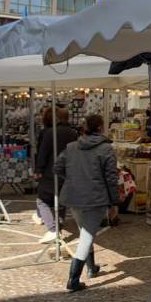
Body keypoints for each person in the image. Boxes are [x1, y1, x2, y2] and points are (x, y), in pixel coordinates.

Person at [54, 114, 120, 292]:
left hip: (74, 196)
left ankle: (91, 268)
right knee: (86, 236)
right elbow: (111, 178)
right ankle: (73, 279)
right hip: (95, 198)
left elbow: (57, 167)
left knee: (85, 231)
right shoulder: (106, 149)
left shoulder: (72, 147)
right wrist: (114, 202)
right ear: (100, 128)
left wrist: (73, 179)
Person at [34, 106, 79, 244]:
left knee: (42, 200)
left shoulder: (49, 132)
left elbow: (43, 153)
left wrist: (38, 170)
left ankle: (53, 229)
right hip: (67, 171)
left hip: (50, 170)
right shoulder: (73, 133)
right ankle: (58, 227)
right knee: (61, 199)